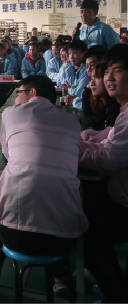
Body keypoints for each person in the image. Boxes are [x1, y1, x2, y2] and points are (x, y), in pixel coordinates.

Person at [0, 76, 88, 290]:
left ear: (32, 93)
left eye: (19, 93)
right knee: (51, 199)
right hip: (63, 239)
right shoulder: (72, 121)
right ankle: (60, 278)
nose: (16, 98)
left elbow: (8, 154)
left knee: (11, 193)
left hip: (12, 235)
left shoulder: (10, 114)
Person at [78, 44, 128, 302]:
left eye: (116, 70)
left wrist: (74, 151)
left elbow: (109, 159)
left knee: (86, 233)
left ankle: (117, 294)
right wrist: (87, 138)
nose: (108, 77)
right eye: (106, 71)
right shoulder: (124, 111)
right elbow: (110, 137)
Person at [82, 63, 121, 131]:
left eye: (97, 77)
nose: (91, 83)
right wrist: (87, 89)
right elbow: (87, 112)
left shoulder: (115, 107)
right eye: (91, 78)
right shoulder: (100, 101)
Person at [59, 40, 89, 111]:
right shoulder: (79, 69)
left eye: (75, 53)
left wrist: (69, 89)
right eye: (69, 54)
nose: (71, 57)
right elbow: (72, 85)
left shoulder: (86, 70)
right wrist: (68, 64)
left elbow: (77, 93)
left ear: (84, 53)